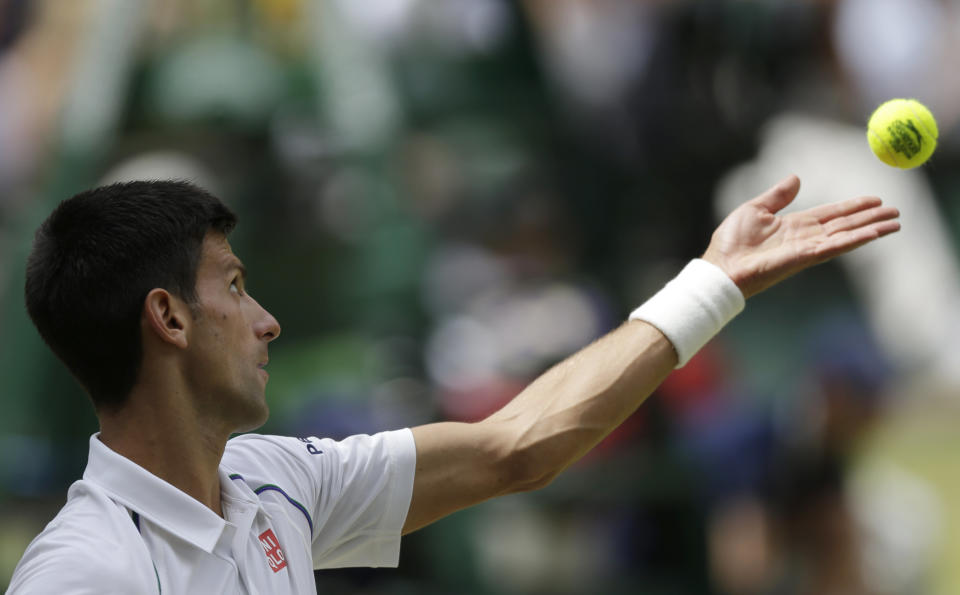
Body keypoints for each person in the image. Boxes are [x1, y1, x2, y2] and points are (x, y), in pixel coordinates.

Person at [8, 175, 899, 593]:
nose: (266, 319)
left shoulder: (278, 480)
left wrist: (716, 283)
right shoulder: (86, 573)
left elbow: (518, 446)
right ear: (167, 320)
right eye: (235, 288)